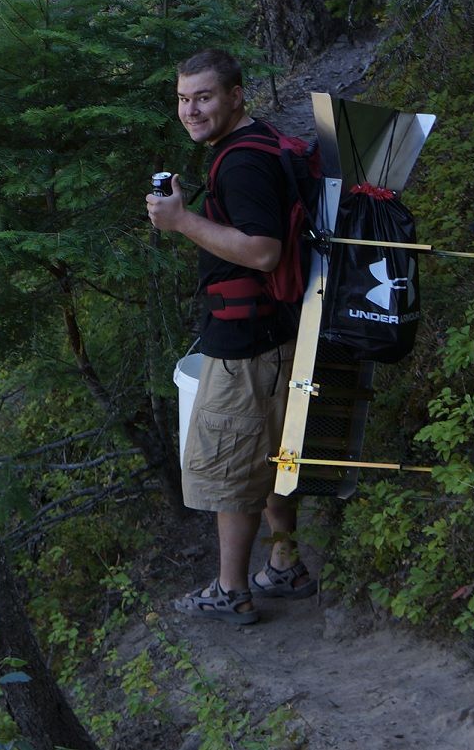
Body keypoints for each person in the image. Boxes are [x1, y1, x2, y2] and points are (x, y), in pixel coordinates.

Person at [145, 48, 317, 624]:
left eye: (204, 97)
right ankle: (286, 565)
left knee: (230, 467)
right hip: (276, 333)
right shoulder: (257, 143)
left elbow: (264, 251)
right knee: (271, 456)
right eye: (183, 98)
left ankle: (230, 590)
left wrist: (181, 221)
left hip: (246, 344)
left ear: (236, 95)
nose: (190, 110)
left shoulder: (241, 163)